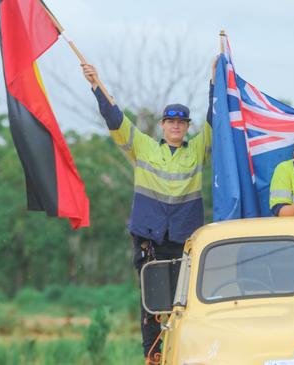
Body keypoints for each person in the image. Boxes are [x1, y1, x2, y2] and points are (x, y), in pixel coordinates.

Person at [81, 64, 213, 364]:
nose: (176, 127)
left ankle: (184, 355)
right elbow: (116, 120)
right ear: (163, 125)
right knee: (153, 305)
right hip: (150, 240)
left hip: (185, 239)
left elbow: (215, 118)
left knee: (186, 304)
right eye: (170, 122)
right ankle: (153, 358)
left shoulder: (198, 150)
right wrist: (96, 85)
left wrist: (214, 83)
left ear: (187, 127)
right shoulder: (143, 147)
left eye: (181, 123)